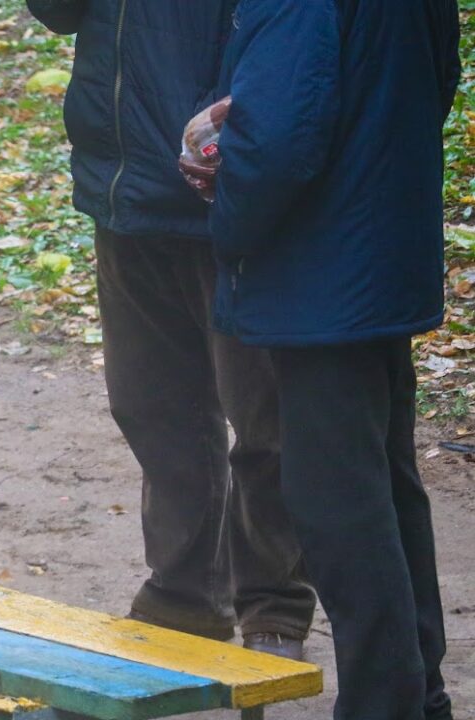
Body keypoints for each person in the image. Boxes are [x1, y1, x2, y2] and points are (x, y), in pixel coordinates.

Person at [25, 0, 315, 657]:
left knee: (263, 417)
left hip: (226, 195)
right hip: (123, 188)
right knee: (153, 409)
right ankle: (184, 596)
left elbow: (288, 34)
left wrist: (242, 137)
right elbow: (59, 13)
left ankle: (273, 606)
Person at [199, 0, 461, 716]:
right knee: (383, 486)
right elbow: (438, 79)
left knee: (338, 505)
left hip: (323, 271)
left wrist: (227, 218)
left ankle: (387, 702)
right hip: (376, 251)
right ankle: (418, 694)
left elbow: (277, 141)